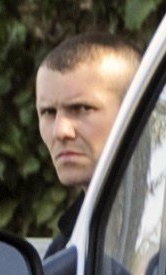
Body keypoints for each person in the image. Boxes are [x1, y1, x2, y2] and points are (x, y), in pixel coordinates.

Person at [35, 32, 141, 251]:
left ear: (135, 112)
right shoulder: (66, 247)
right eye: (48, 112)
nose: (60, 131)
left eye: (82, 108)